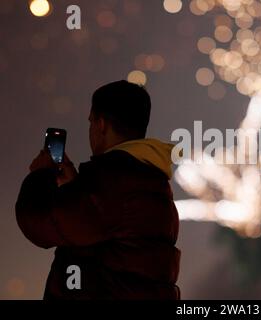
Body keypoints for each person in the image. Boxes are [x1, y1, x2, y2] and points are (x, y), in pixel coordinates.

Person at [15, 80, 180, 299]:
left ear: (101, 124)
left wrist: (40, 175)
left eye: (91, 121)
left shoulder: (114, 179)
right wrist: (76, 188)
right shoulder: (150, 179)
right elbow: (105, 236)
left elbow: (40, 221)